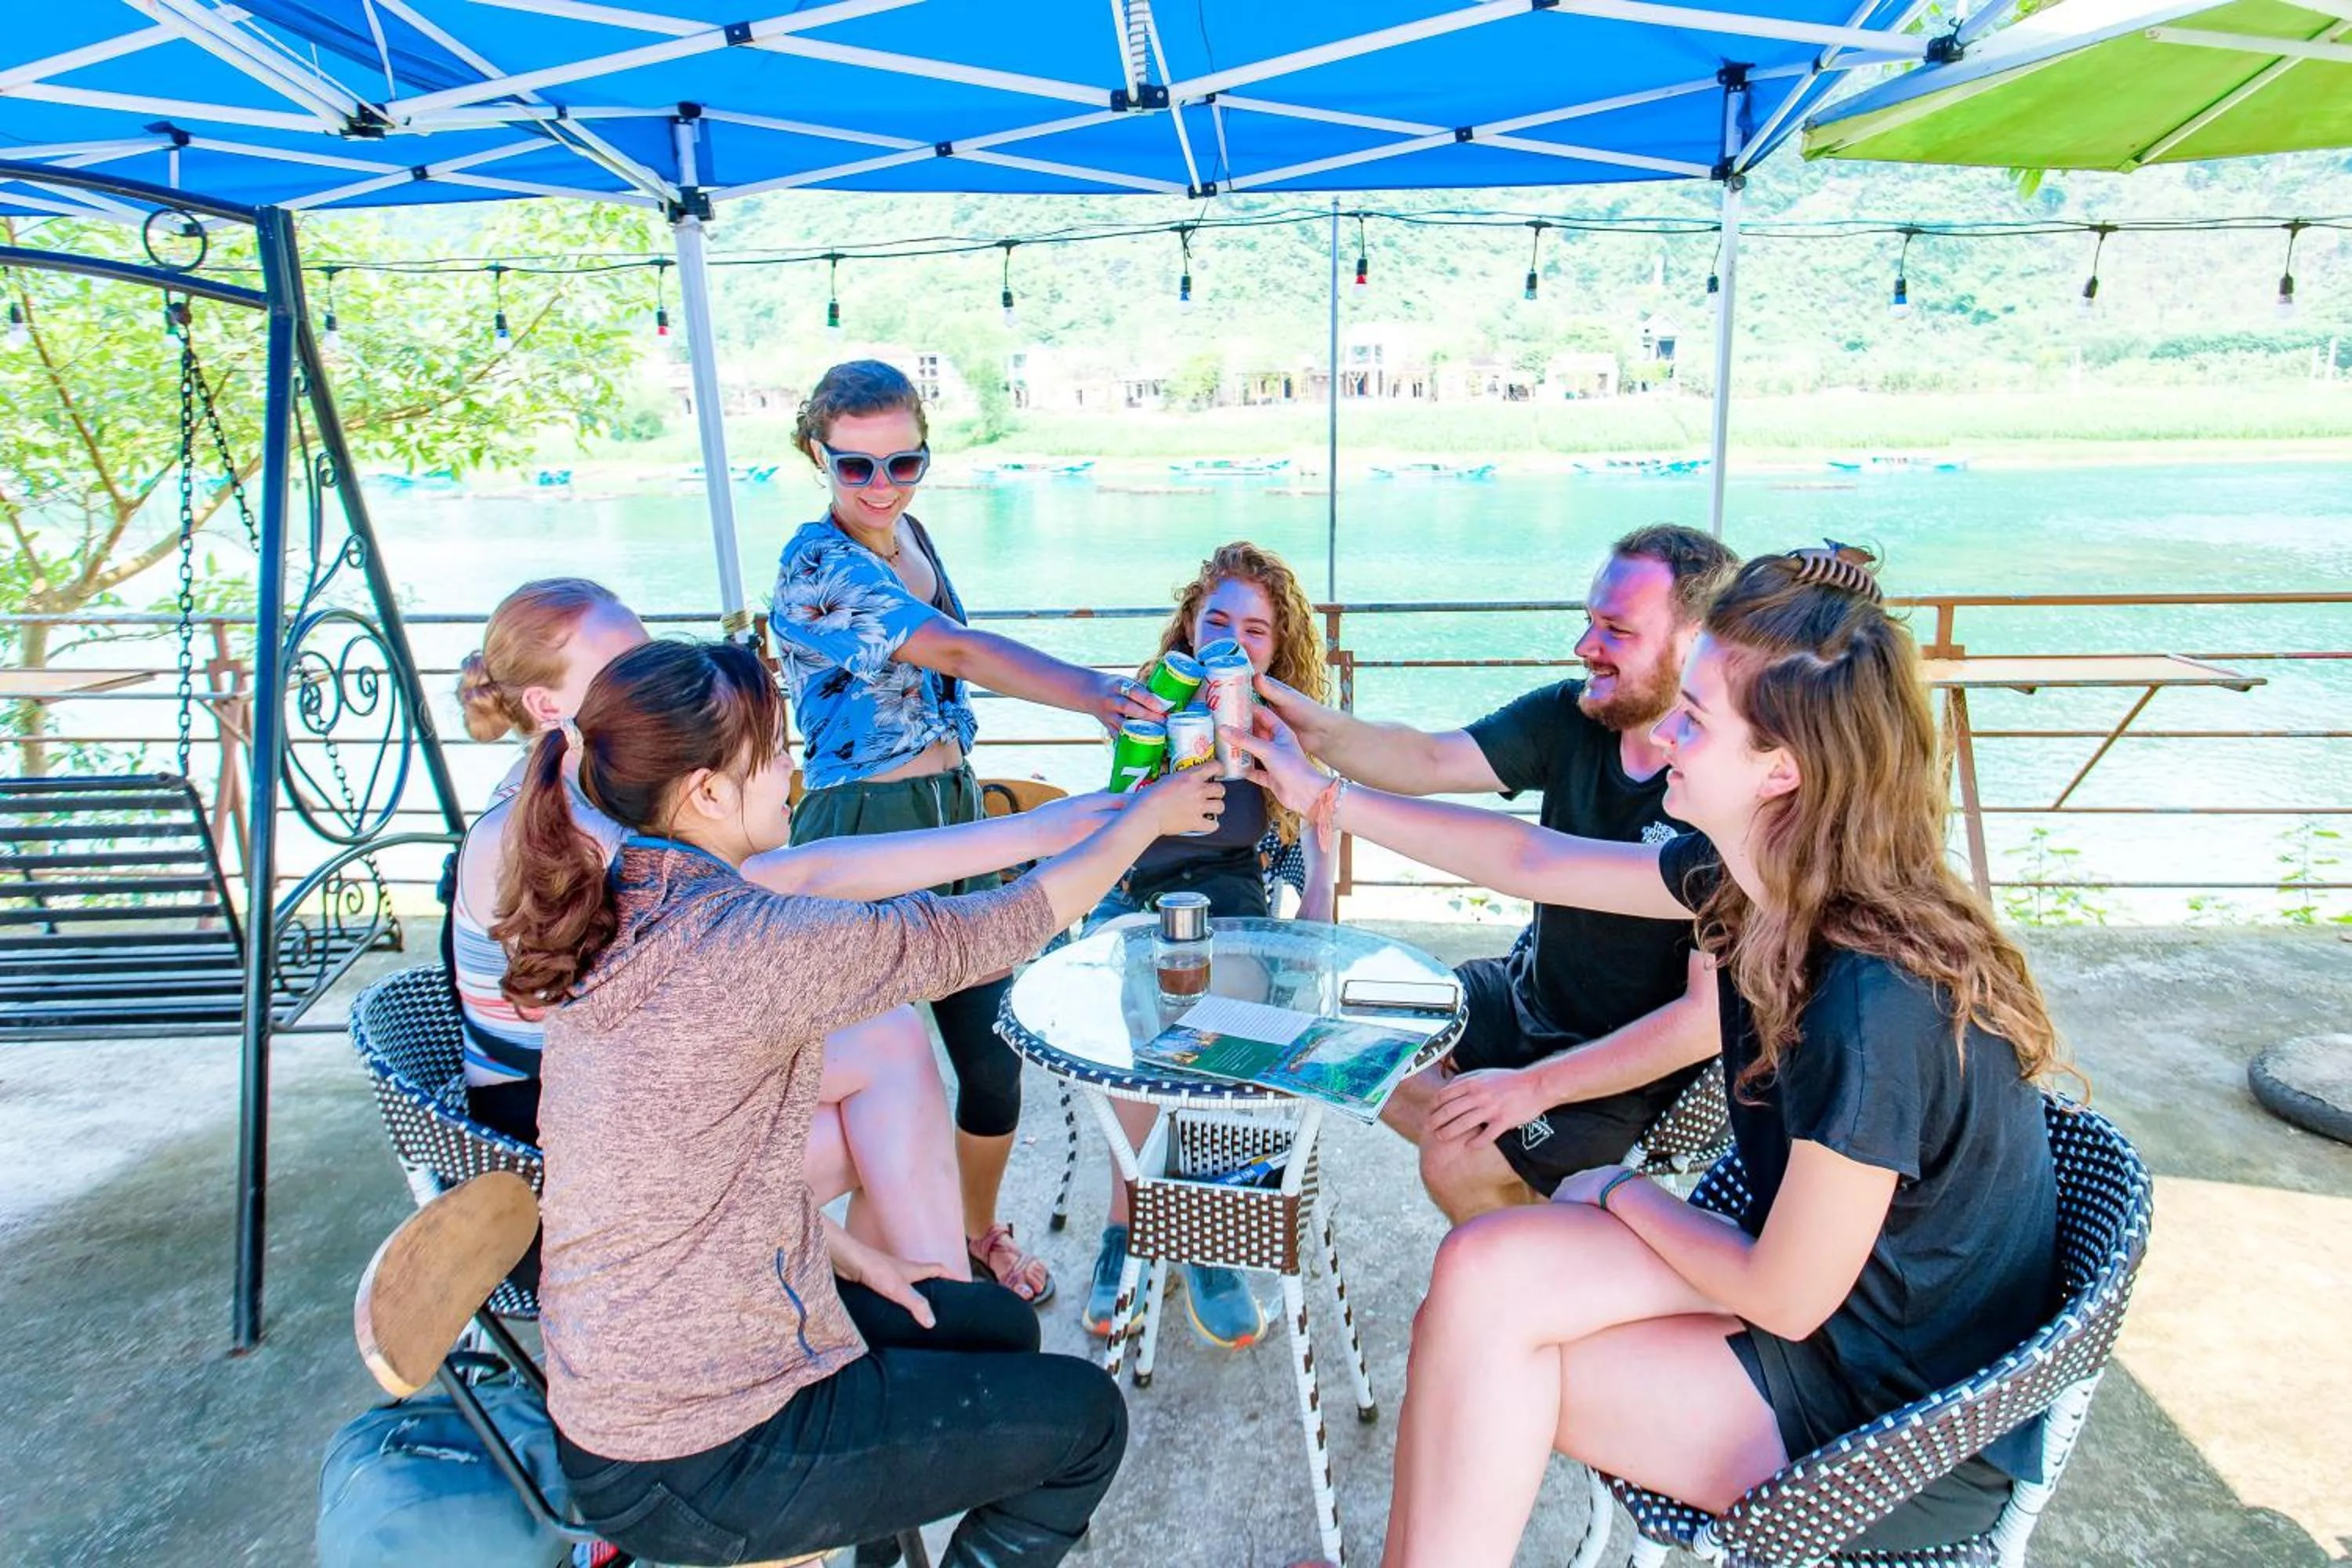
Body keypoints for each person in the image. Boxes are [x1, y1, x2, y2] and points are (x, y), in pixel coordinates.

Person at [1228, 544, 2067, 1564]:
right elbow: (1531, 858)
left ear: (1784, 767)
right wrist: (1327, 802)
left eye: (1698, 719)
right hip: (1845, 1298)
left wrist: (1621, 1191)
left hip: (1893, 1415)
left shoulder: (1872, 1003)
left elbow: (1786, 1295)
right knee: (1479, 1267)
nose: (1667, 730)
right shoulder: (1767, 877)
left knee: (1481, 1358)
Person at [498, 636, 1222, 1567]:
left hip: (663, 1379)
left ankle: (875, 1543)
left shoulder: (633, 891)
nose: (791, 767)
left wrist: (835, 1249)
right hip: (702, 1453)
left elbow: (824, 872)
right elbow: (994, 929)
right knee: (1087, 1421)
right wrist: (1142, 820)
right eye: (770, 749)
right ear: (709, 792)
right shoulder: (742, 942)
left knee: (995, 1324)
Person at [452, 579, 1127, 1282]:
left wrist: (1030, 832)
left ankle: (920, 1304)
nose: (658, 679)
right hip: (561, 1158)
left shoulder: (593, 787)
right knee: (890, 1119)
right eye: (625, 666)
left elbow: (807, 870)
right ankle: (932, 1305)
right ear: (546, 705)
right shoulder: (560, 831)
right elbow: (806, 878)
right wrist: (1039, 836)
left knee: (890, 1060)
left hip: (653, 1098)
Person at [769, 358, 1167, 1307]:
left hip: (956, 812)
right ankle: (890, 1266)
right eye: (854, 467)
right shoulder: (814, 563)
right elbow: (949, 648)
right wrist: (1097, 695)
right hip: (864, 826)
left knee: (992, 1063)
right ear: (815, 457)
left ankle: (973, 1229)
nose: (880, 487)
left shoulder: (912, 534)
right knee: (888, 1078)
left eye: (902, 463)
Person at [1254, 524, 1740, 1221]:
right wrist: (1304, 727)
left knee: (1455, 1150)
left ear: (1698, 641)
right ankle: (1536, 1215)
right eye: (1587, 622)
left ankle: (1512, 1274)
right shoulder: (1572, 715)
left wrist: (1534, 1089)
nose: (1584, 647)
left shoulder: (1726, 794)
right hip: (1529, 994)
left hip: (1635, 1066)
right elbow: (1426, 760)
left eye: (1616, 630)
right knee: (1345, 1038)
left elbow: (1702, 1024)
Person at [1080, 541, 1338, 1350]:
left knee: (1201, 1016)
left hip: (1229, 903)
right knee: (1135, 1012)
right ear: (1190, 622)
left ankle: (1175, 1225)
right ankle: (1145, 1221)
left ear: (1276, 645)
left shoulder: (1287, 726)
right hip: (1127, 892)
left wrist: (1315, 918)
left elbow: (1317, 851)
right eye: (1217, 617)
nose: (1232, 635)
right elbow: (1101, 825)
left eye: (1255, 629)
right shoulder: (1155, 700)